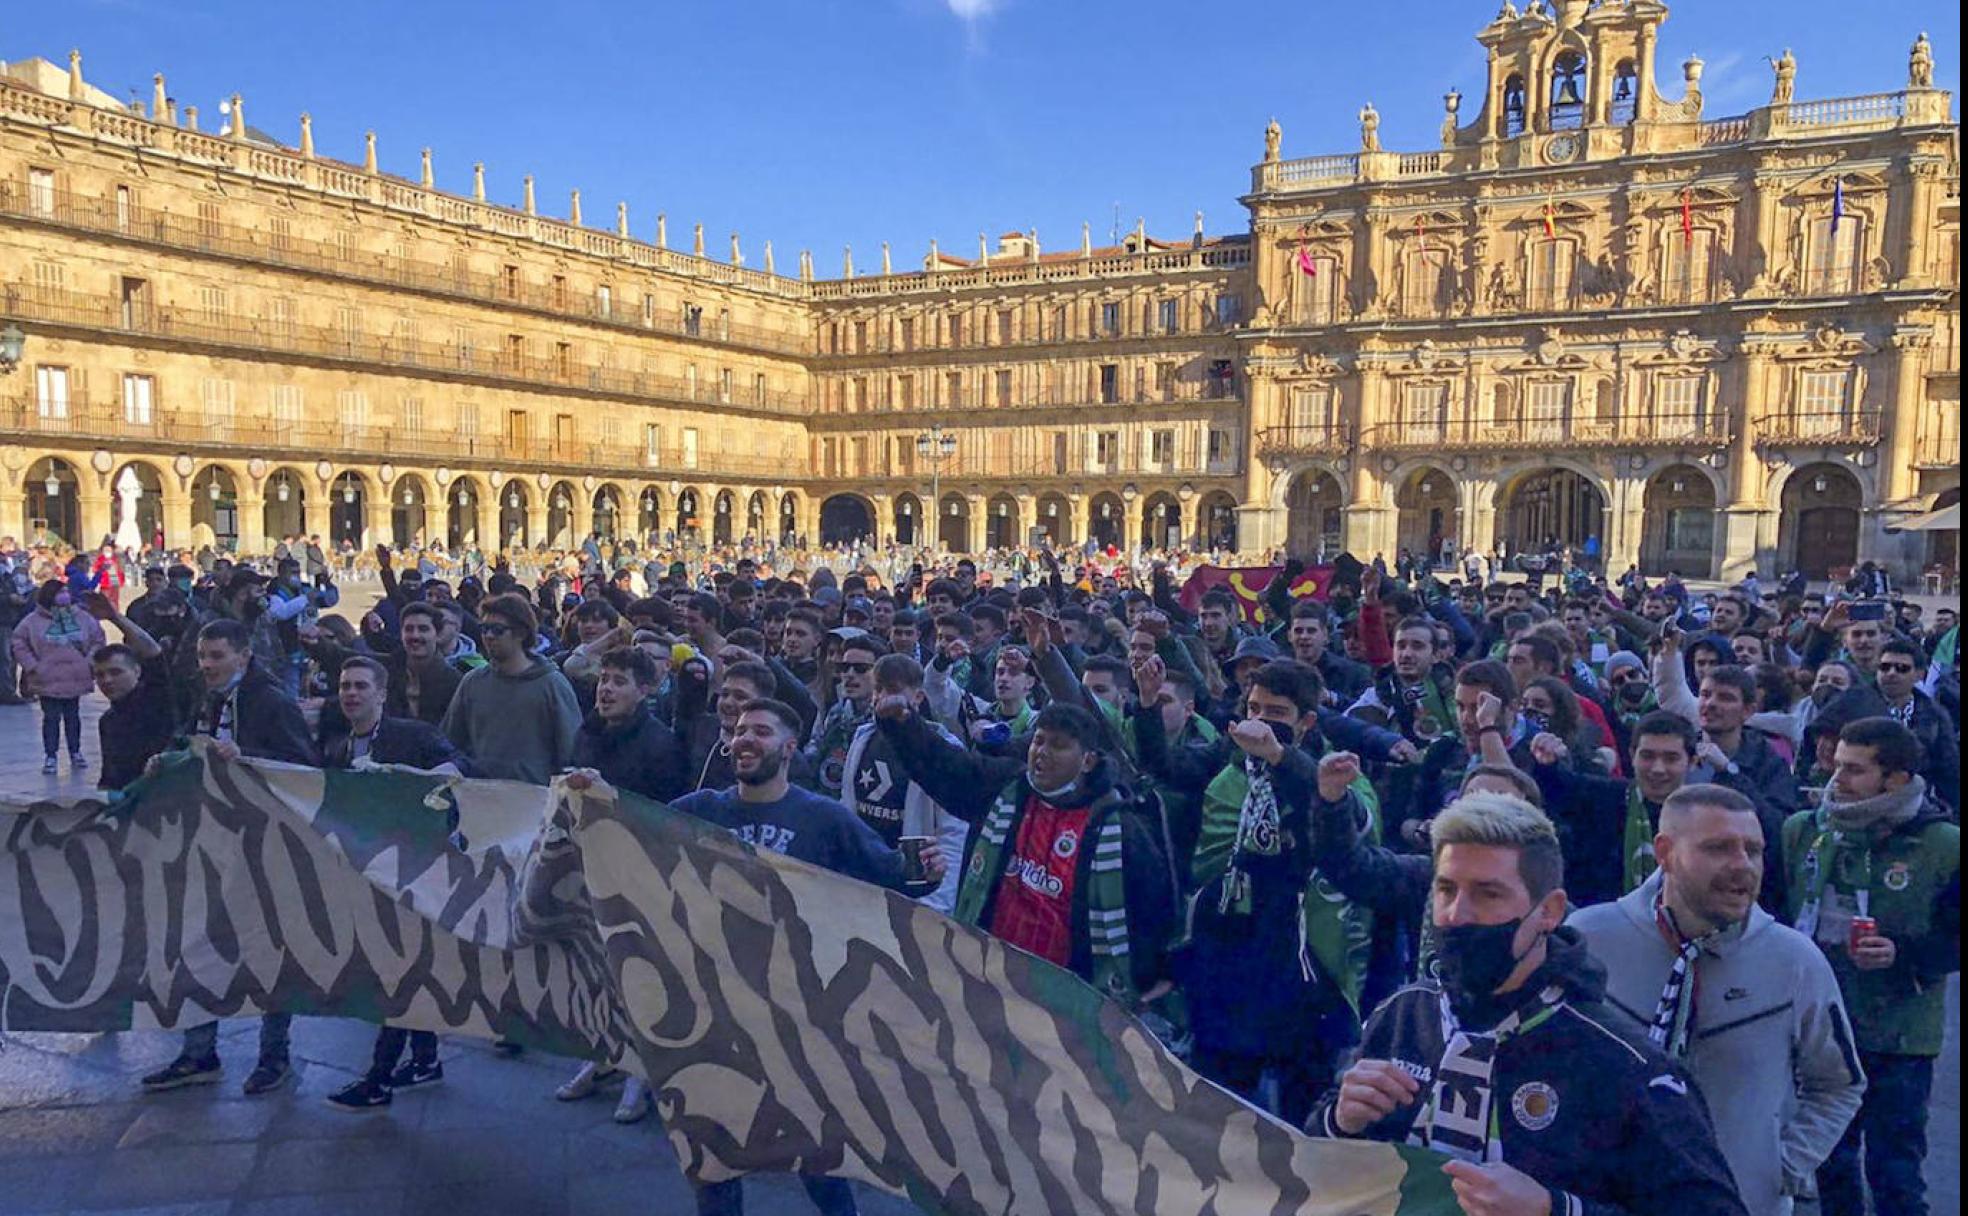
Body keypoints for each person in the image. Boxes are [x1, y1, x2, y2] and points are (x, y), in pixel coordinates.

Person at [1308, 791, 1748, 1216]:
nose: (1458, 914)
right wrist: (1339, 1121)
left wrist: (1557, 1210)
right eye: (1445, 890)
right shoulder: (1404, 1014)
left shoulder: (1625, 1065)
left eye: (1488, 894)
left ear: (1549, 912)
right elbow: (1315, 1160)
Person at [671, 698, 946, 1216]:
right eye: (740, 731)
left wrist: (926, 871)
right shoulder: (699, 810)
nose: (745, 739)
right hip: (718, 1004)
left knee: (812, 1142)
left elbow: (890, 876)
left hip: (798, 1011)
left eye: (761, 732)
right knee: (714, 1147)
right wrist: (588, 794)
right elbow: (627, 832)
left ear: (790, 748)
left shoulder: (823, 818)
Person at [1569, 784, 1864, 1215]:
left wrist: (1780, 1166)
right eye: (1719, 848)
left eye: (1753, 850)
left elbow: (1840, 1082)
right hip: (1610, 1198)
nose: (1742, 866)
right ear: (1665, 852)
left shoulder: (1795, 961)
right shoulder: (1590, 940)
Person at [1785, 717, 1960, 1216]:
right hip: (1821, 1028)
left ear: (1897, 780)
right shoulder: (1804, 832)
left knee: (1895, 1172)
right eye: (1837, 765)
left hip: (1900, 1036)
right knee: (1832, 1166)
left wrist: (1902, 954)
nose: (1838, 780)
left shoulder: (1943, 845)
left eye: (1855, 771)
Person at [141, 617, 319, 1096]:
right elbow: (191, 738)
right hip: (210, 839)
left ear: (243, 655)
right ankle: (199, 1052)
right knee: (197, 945)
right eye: (203, 657)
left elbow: (304, 766)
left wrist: (247, 754)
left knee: (269, 951)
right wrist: (170, 755)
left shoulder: (271, 700)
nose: (207, 665)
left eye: (216, 657)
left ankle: (274, 1055)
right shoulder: (212, 695)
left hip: (263, 846)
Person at [319, 656, 468, 1113]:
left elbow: (455, 769)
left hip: (415, 870)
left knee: (398, 974)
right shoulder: (336, 747)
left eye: (361, 686)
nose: (351, 693)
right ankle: (424, 1059)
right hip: (367, 874)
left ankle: (380, 1076)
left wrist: (410, 784)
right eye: (345, 685)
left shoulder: (412, 735)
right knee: (404, 969)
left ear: (382, 693)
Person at [440, 594, 580, 784]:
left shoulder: (552, 685)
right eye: (484, 629)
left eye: (498, 630)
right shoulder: (472, 682)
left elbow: (571, 752)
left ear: (521, 633)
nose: (488, 636)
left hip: (535, 801)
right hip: (479, 796)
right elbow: (449, 742)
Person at [11, 580, 105, 775]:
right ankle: (51, 755)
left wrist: (90, 660)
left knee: (73, 717)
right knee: (51, 718)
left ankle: (75, 751)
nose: (65, 595)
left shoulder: (83, 617)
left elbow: (98, 638)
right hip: (46, 677)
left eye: (66, 591)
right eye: (60, 591)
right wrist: (32, 665)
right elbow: (18, 642)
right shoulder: (32, 621)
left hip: (75, 676)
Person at [84, 592, 175, 791]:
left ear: (136, 671)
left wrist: (115, 618)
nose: (107, 680)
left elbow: (153, 652)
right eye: (100, 674)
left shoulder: (156, 699)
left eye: (115, 672)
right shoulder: (108, 721)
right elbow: (109, 776)